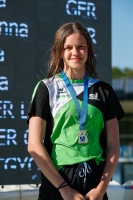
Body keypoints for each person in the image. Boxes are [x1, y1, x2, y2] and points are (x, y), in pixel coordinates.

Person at [27, 22, 125, 200]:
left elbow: (114, 145)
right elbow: (34, 144)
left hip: (95, 185)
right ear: (60, 52)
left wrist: (101, 189)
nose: (75, 53)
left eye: (81, 47)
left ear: (88, 50)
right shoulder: (46, 88)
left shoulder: (105, 91)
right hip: (58, 183)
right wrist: (64, 189)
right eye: (68, 47)